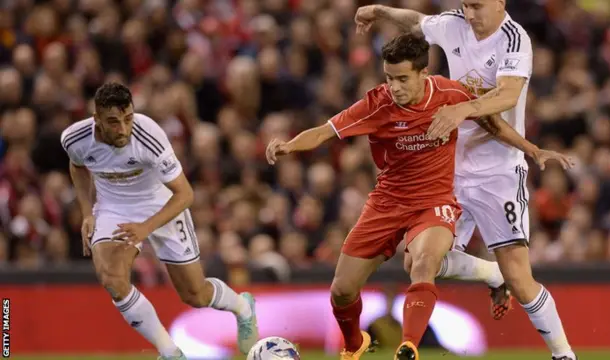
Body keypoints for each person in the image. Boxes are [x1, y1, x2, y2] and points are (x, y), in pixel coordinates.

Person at [265, 34, 571, 360]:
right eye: (388, 78)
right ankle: (355, 344)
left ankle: (408, 346)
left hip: (433, 202)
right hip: (387, 202)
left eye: (402, 79)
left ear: (423, 74)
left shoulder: (450, 94)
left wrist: (532, 149)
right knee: (341, 291)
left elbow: (493, 124)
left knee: (424, 264)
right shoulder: (377, 104)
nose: (394, 87)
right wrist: (289, 145)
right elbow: (325, 131)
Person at [354, 1, 576, 360]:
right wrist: (380, 11)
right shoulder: (456, 24)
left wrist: (462, 108)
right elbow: (418, 21)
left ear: (500, 2)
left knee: (520, 279)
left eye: (477, 6)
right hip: (451, 170)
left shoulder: (514, 39)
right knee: (418, 263)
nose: (470, 14)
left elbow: (508, 94)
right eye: (465, 5)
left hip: (498, 172)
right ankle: (491, 273)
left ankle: (564, 354)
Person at [61, 83, 259, 360]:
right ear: (97, 119)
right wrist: (87, 212)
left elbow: (185, 194)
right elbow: (77, 165)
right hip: (114, 208)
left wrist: (145, 228)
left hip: (162, 203)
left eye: (127, 118)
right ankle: (170, 352)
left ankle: (242, 306)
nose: (123, 129)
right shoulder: (74, 138)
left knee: (195, 295)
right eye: (113, 122)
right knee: (112, 280)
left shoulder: (148, 135)